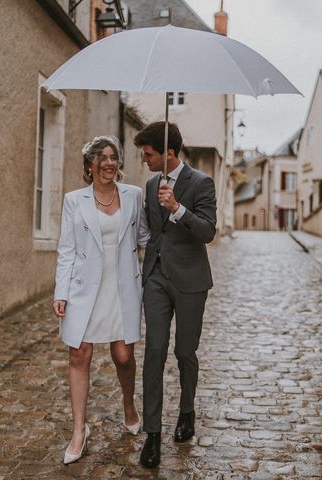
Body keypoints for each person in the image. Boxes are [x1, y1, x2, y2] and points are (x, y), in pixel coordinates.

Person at [53, 135, 149, 465]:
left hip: (122, 288)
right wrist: (61, 293)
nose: (109, 163)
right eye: (102, 158)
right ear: (89, 164)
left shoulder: (134, 196)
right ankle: (79, 430)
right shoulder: (73, 200)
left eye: (114, 157)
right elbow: (66, 249)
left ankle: (128, 403)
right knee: (80, 354)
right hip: (83, 289)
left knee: (123, 356)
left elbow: (145, 237)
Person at [134, 122, 217, 468]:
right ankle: (152, 434)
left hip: (189, 281)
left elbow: (208, 231)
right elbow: (150, 233)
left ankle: (187, 411)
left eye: (148, 153)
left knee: (185, 351)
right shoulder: (151, 184)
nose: (144, 159)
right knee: (154, 351)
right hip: (156, 278)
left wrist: (178, 209)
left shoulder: (202, 183)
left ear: (168, 153)